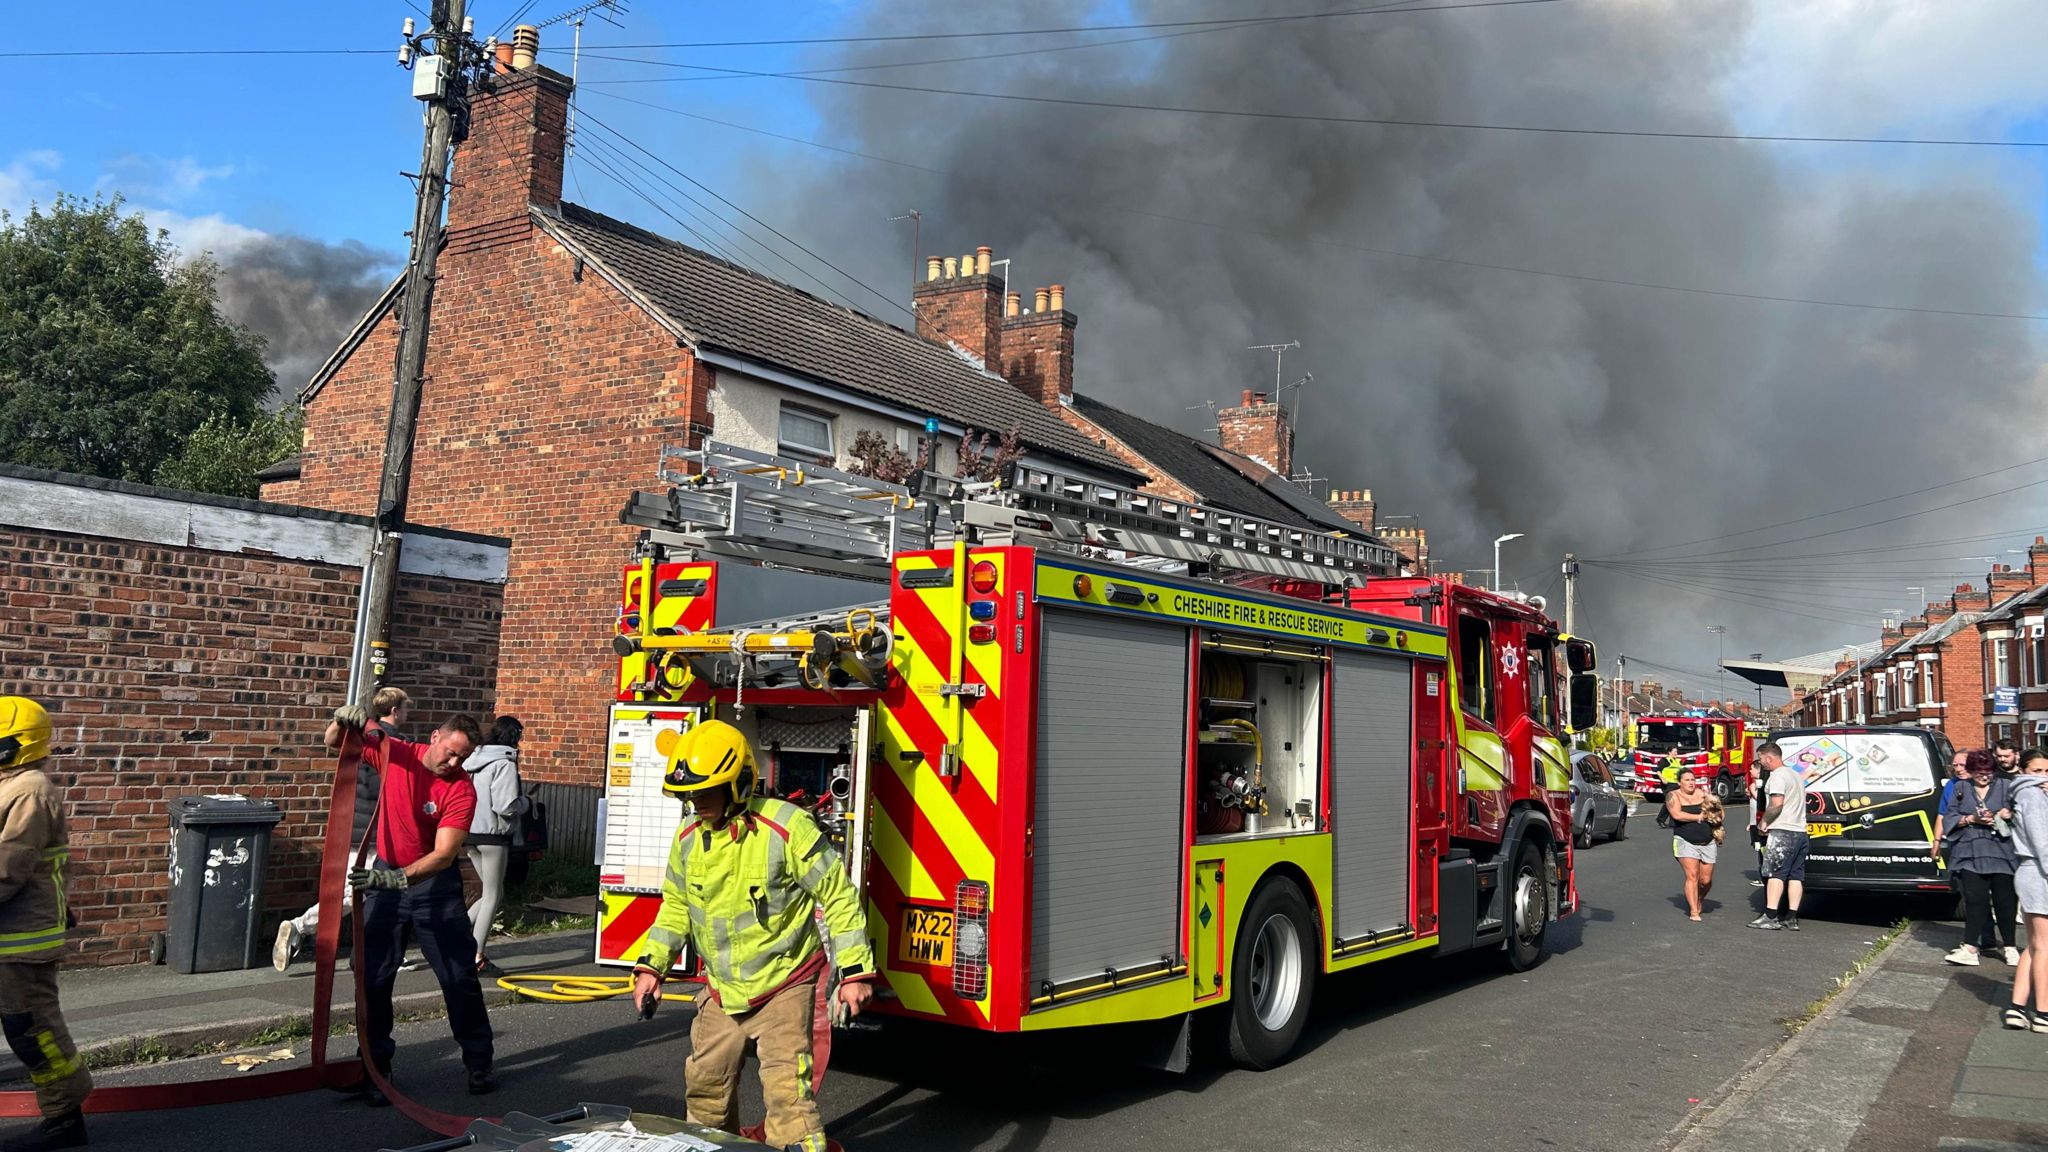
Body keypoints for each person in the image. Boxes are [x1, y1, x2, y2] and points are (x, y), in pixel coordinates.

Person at [631, 720, 876, 1152]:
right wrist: (652, 966)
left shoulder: (786, 827)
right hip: (723, 991)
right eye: (690, 793)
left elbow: (837, 895)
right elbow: (675, 907)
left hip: (785, 984)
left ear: (740, 784)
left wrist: (855, 972)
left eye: (707, 791)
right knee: (705, 1094)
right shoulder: (688, 839)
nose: (696, 801)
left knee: (788, 1101)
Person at [324, 705, 495, 1102]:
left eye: (463, 757)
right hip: (386, 881)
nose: (453, 762)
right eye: (450, 752)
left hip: (433, 886)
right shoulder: (395, 753)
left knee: (457, 978)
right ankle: (376, 1068)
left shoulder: (460, 789)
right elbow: (335, 744)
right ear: (435, 737)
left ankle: (479, 1062)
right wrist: (341, 720)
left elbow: (444, 854)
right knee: (373, 978)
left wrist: (398, 878)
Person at [0, 699, 90, 1152]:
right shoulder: (9, 786)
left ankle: (63, 1116)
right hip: (9, 934)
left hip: (22, 939)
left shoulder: (29, 790)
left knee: (33, 1028)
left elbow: (8, 866)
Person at [274, 687, 411, 971]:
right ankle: (303, 927)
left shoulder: (361, 736)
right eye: (406, 708)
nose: (408, 713)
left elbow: (332, 742)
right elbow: (381, 788)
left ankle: (363, 950)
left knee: (356, 893)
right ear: (395, 711)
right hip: (375, 834)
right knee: (373, 893)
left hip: (353, 829)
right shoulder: (393, 742)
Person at [1939, 749, 2018, 966]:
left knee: (2006, 902)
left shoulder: (2005, 786)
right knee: (1975, 901)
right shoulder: (1960, 788)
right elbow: (1950, 816)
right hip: (1970, 851)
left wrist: (2007, 814)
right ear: (1971, 771)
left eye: (1988, 772)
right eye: (1978, 772)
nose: (1984, 776)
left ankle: (2010, 947)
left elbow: (2020, 812)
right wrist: (1970, 818)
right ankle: (1971, 947)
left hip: (2001, 851)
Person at [462, 716, 526, 975]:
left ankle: (455, 938)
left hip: (468, 833)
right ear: (515, 737)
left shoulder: (471, 761)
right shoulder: (504, 765)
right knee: (493, 895)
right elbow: (506, 806)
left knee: (487, 892)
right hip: (493, 835)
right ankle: (476, 956)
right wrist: (526, 804)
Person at [2004, 748, 2048, 1031]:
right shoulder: (2032, 795)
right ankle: (2043, 1013)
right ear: (2024, 771)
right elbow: (2041, 840)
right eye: (2037, 771)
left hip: (2032, 871)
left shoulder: (2028, 794)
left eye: (2046, 771)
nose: (2043, 776)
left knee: (2034, 946)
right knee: (2044, 947)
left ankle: (2017, 1007)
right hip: (2039, 872)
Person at [1750, 742, 1808, 931]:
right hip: (1800, 831)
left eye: (1761, 759)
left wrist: (1764, 822)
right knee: (1795, 876)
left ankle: (1770, 916)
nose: (1761, 763)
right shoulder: (1795, 775)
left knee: (1775, 873)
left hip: (1783, 831)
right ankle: (1792, 917)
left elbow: (1776, 804)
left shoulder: (1777, 776)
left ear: (1769, 757)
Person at [1668, 769, 1718, 921]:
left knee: (1706, 881)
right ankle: (1694, 911)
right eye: (1687, 780)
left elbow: (1718, 811)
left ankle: (1699, 899)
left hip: (1708, 841)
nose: (1691, 783)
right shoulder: (1673, 796)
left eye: (1692, 780)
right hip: (1685, 840)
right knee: (1692, 875)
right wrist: (1699, 817)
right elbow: (1677, 815)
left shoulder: (1703, 794)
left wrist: (1717, 816)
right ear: (1679, 782)